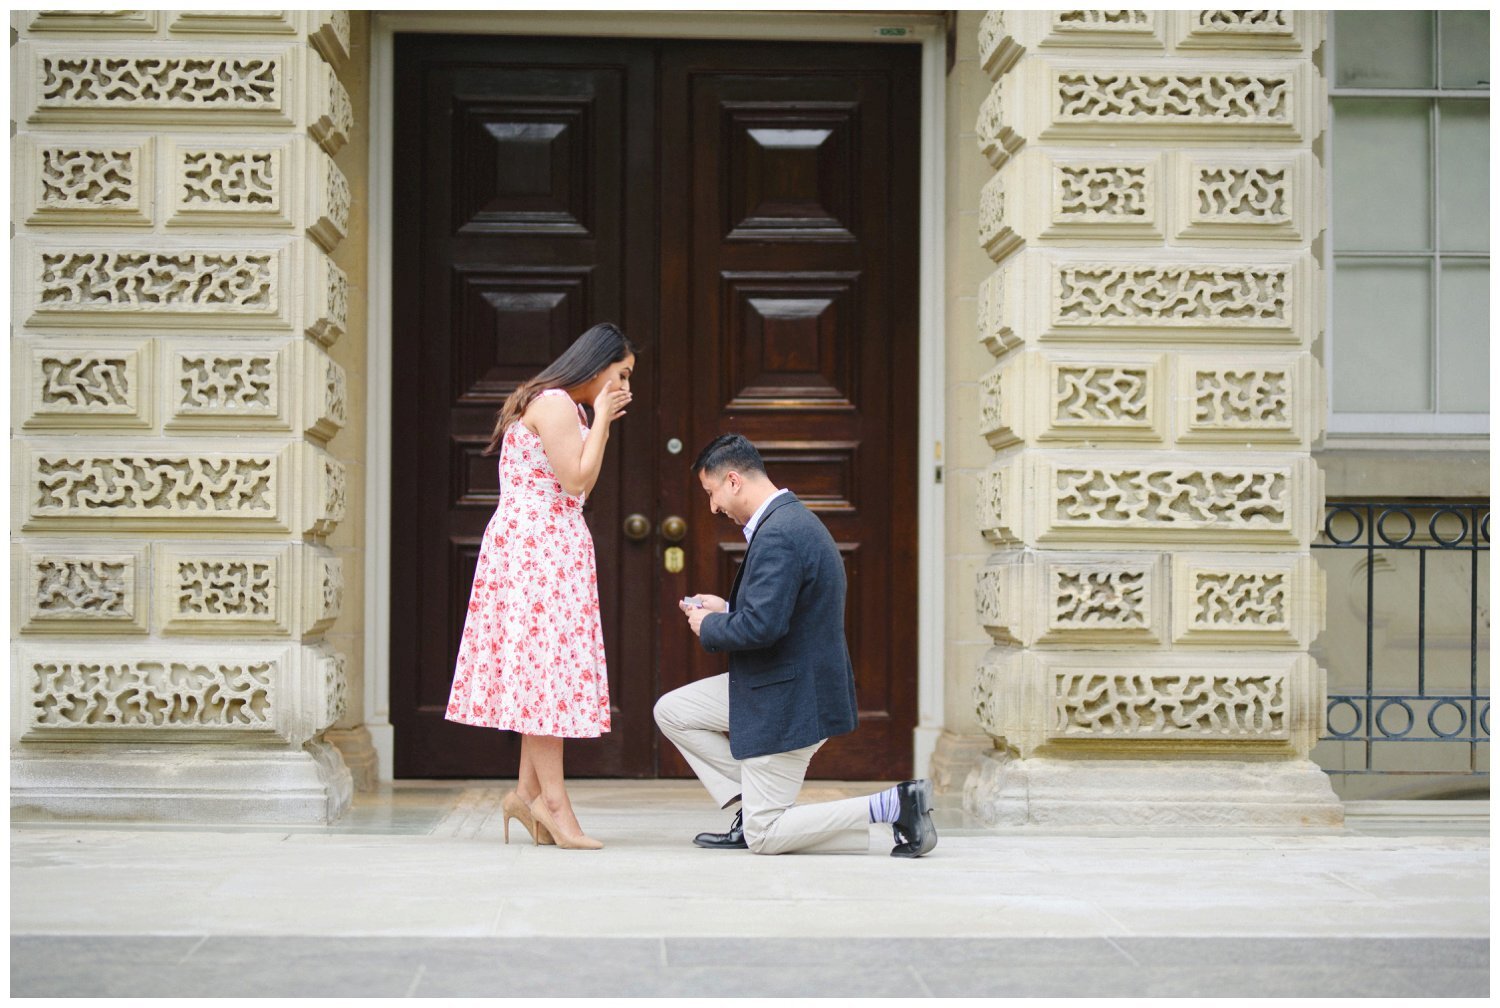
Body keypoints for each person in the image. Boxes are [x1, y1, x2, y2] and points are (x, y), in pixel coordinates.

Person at [653, 434, 937, 857]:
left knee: (766, 835)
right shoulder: (787, 521)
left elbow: (763, 628)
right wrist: (729, 607)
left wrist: (709, 624)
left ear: (733, 481)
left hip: (788, 698)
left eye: (711, 493)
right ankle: (754, 803)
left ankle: (895, 805)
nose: (712, 507)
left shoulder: (779, 534)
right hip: (780, 683)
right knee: (674, 711)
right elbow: (785, 613)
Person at [446, 322, 636, 851]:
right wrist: (600, 419)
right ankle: (552, 804)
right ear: (597, 366)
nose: (625, 386)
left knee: (541, 673)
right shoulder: (555, 404)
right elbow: (577, 481)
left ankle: (526, 795)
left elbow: (573, 483)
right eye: (620, 374)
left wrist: (596, 420)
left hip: (544, 548)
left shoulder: (563, 408)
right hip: (537, 551)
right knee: (544, 678)